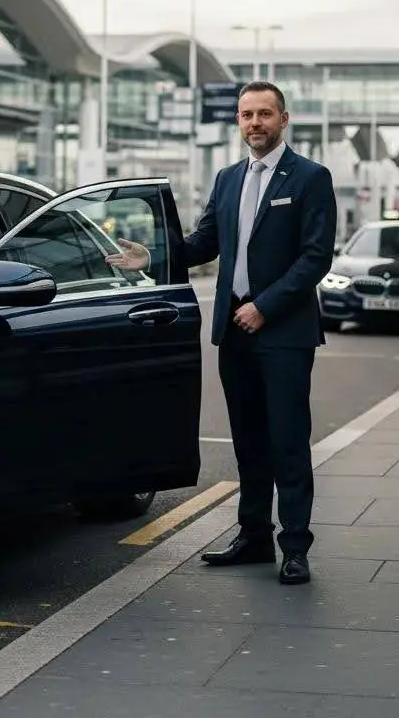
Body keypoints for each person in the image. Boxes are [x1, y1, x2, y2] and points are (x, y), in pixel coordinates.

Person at [106, 80, 337, 585]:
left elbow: (316, 256)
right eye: (246, 115)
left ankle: (294, 547)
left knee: (289, 443)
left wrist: (265, 307)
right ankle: (252, 536)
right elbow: (206, 241)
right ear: (238, 121)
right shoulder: (229, 178)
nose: (254, 123)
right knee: (249, 442)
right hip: (235, 332)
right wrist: (154, 257)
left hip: (282, 333)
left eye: (264, 114)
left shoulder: (311, 178)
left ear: (284, 119)